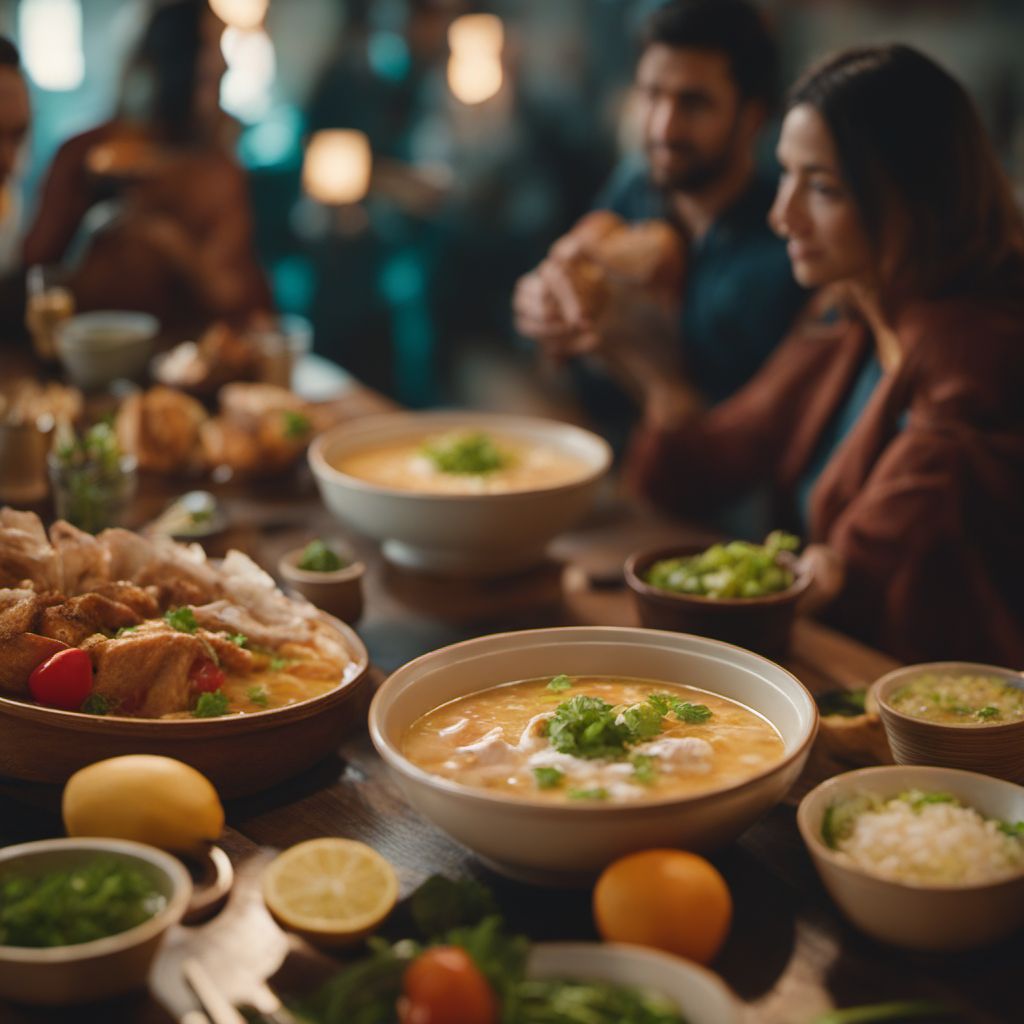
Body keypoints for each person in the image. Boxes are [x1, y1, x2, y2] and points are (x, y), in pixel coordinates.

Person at [615, 44, 1024, 665]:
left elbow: (860, 566)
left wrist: (820, 566)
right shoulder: (852, 309)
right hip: (831, 661)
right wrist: (645, 360)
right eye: (786, 174)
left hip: (935, 714)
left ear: (914, 199)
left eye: (824, 188)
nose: (784, 215)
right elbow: (717, 455)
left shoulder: (978, 348)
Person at [513, 0, 807, 424]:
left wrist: (625, 350)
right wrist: (542, 300)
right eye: (652, 95)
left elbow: (731, 447)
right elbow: (577, 262)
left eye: (693, 104)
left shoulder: (782, 253)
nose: (662, 129)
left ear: (752, 117)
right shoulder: (638, 181)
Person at [22, 0, 270, 331]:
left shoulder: (219, 173)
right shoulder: (83, 154)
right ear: (175, 67)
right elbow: (35, 273)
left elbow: (235, 296)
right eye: (208, 71)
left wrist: (168, 241)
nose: (224, 64)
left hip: (182, 362)